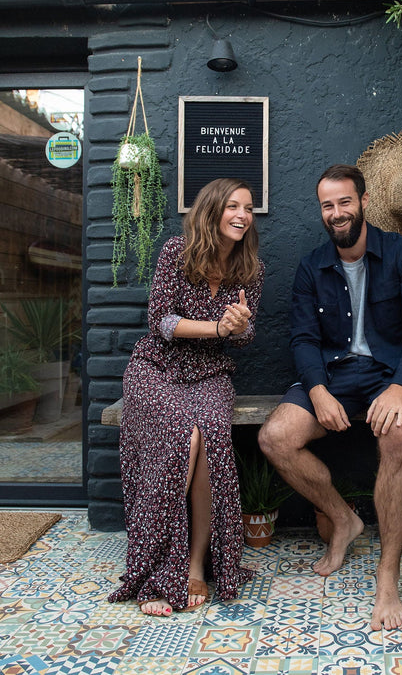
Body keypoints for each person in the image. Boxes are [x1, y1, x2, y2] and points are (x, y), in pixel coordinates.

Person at [258, 163, 402, 631]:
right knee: (276, 437)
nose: (337, 212)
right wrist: (317, 390)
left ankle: (388, 575)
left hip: (391, 373)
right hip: (335, 374)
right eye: (328, 205)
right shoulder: (312, 267)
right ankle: (343, 519)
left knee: (397, 437)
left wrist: (400, 386)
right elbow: (303, 338)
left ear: (363, 202)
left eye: (344, 202)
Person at [108, 178, 264, 616]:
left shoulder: (251, 267)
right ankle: (159, 565)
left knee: (209, 433)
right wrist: (218, 327)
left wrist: (240, 326)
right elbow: (161, 321)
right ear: (211, 210)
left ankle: (194, 564)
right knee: (183, 432)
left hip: (210, 372)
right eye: (233, 206)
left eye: (248, 208)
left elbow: (244, 336)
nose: (242, 215)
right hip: (156, 367)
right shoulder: (177, 252)